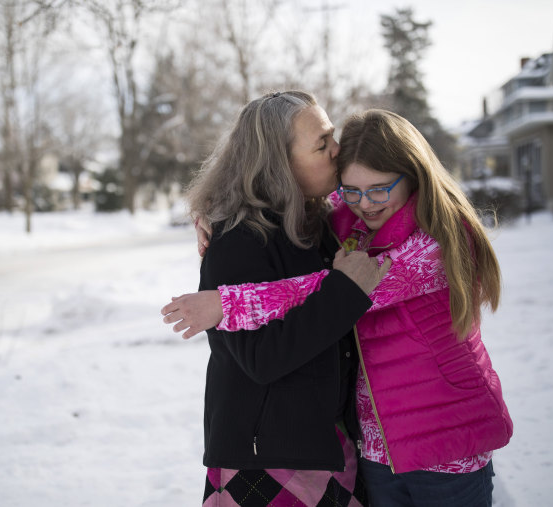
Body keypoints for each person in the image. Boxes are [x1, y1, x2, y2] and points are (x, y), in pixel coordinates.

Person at [164, 109, 513, 507]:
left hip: (445, 440)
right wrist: (212, 209)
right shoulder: (346, 221)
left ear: (414, 175)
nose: (365, 202)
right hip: (375, 448)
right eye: (352, 189)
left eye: (379, 188)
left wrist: (227, 302)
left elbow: (331, 288)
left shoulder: (434, 241)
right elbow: (275, 186)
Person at [162, 91, 392, 506]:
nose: (337, 150)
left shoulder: (312, 219)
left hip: (325, 442)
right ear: (278, 165)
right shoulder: (239, 238)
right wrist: (346, 290)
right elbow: (262, 358)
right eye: (322, 144)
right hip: (266, 462)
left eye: (331, 136)